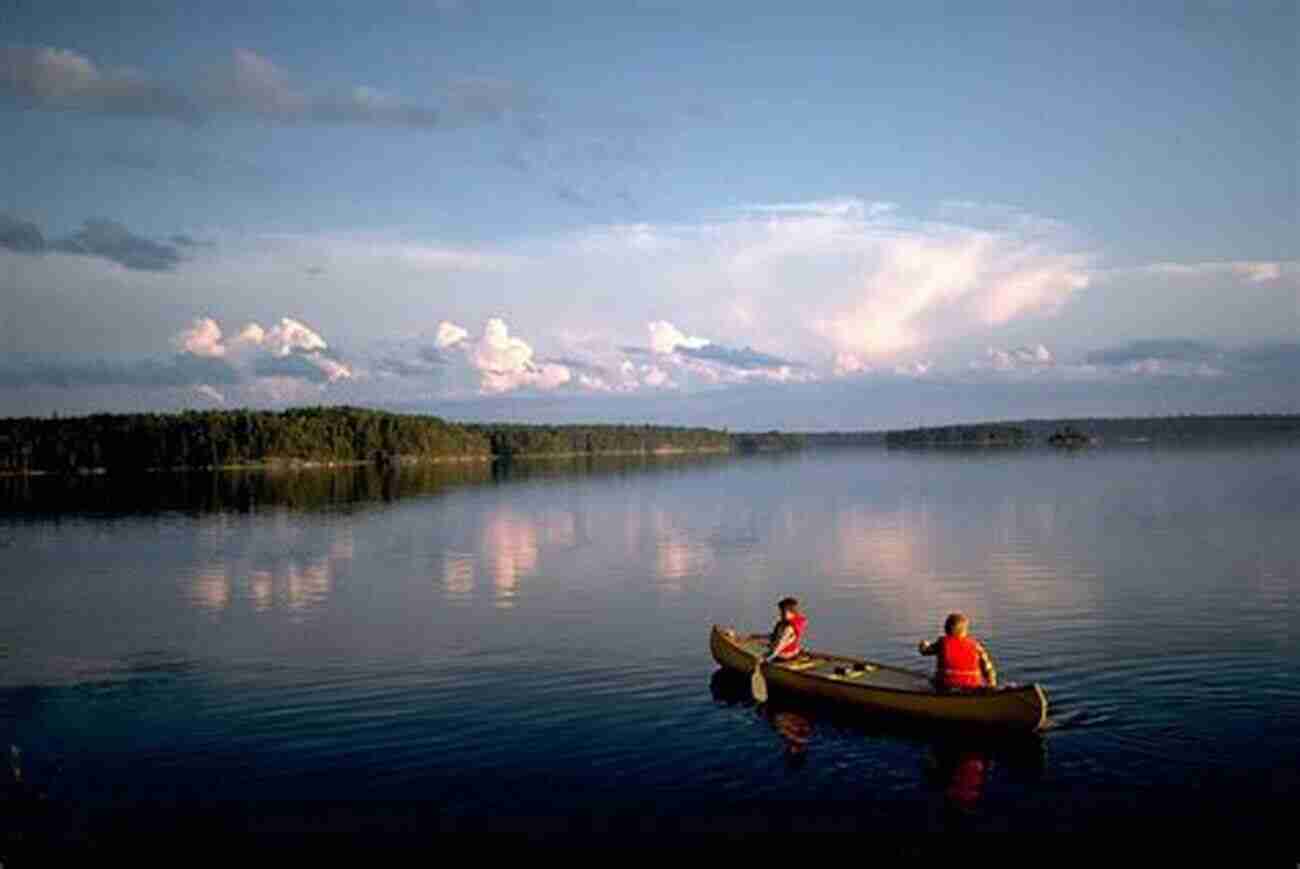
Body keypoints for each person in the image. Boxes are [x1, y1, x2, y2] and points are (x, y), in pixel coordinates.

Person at [918, 612, 997, 689]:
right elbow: (988, 668)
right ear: (965, 630)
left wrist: (923, 644)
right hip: (973, 686)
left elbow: (925, 651)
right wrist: (992, 683)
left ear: (946, 630)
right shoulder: (976, 645)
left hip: (945, 685)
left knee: (931, 680)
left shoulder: (941, 644)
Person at [764, 597, 807, 663]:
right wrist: (755, 636)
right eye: (780, 611)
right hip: (793, 653)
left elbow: (781, 644)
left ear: (792, 612)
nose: (780, 614)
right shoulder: (784, 623)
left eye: (783, 612)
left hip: (784, 657)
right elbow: (774, 636)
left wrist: (769, 658)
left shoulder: (789, 628)